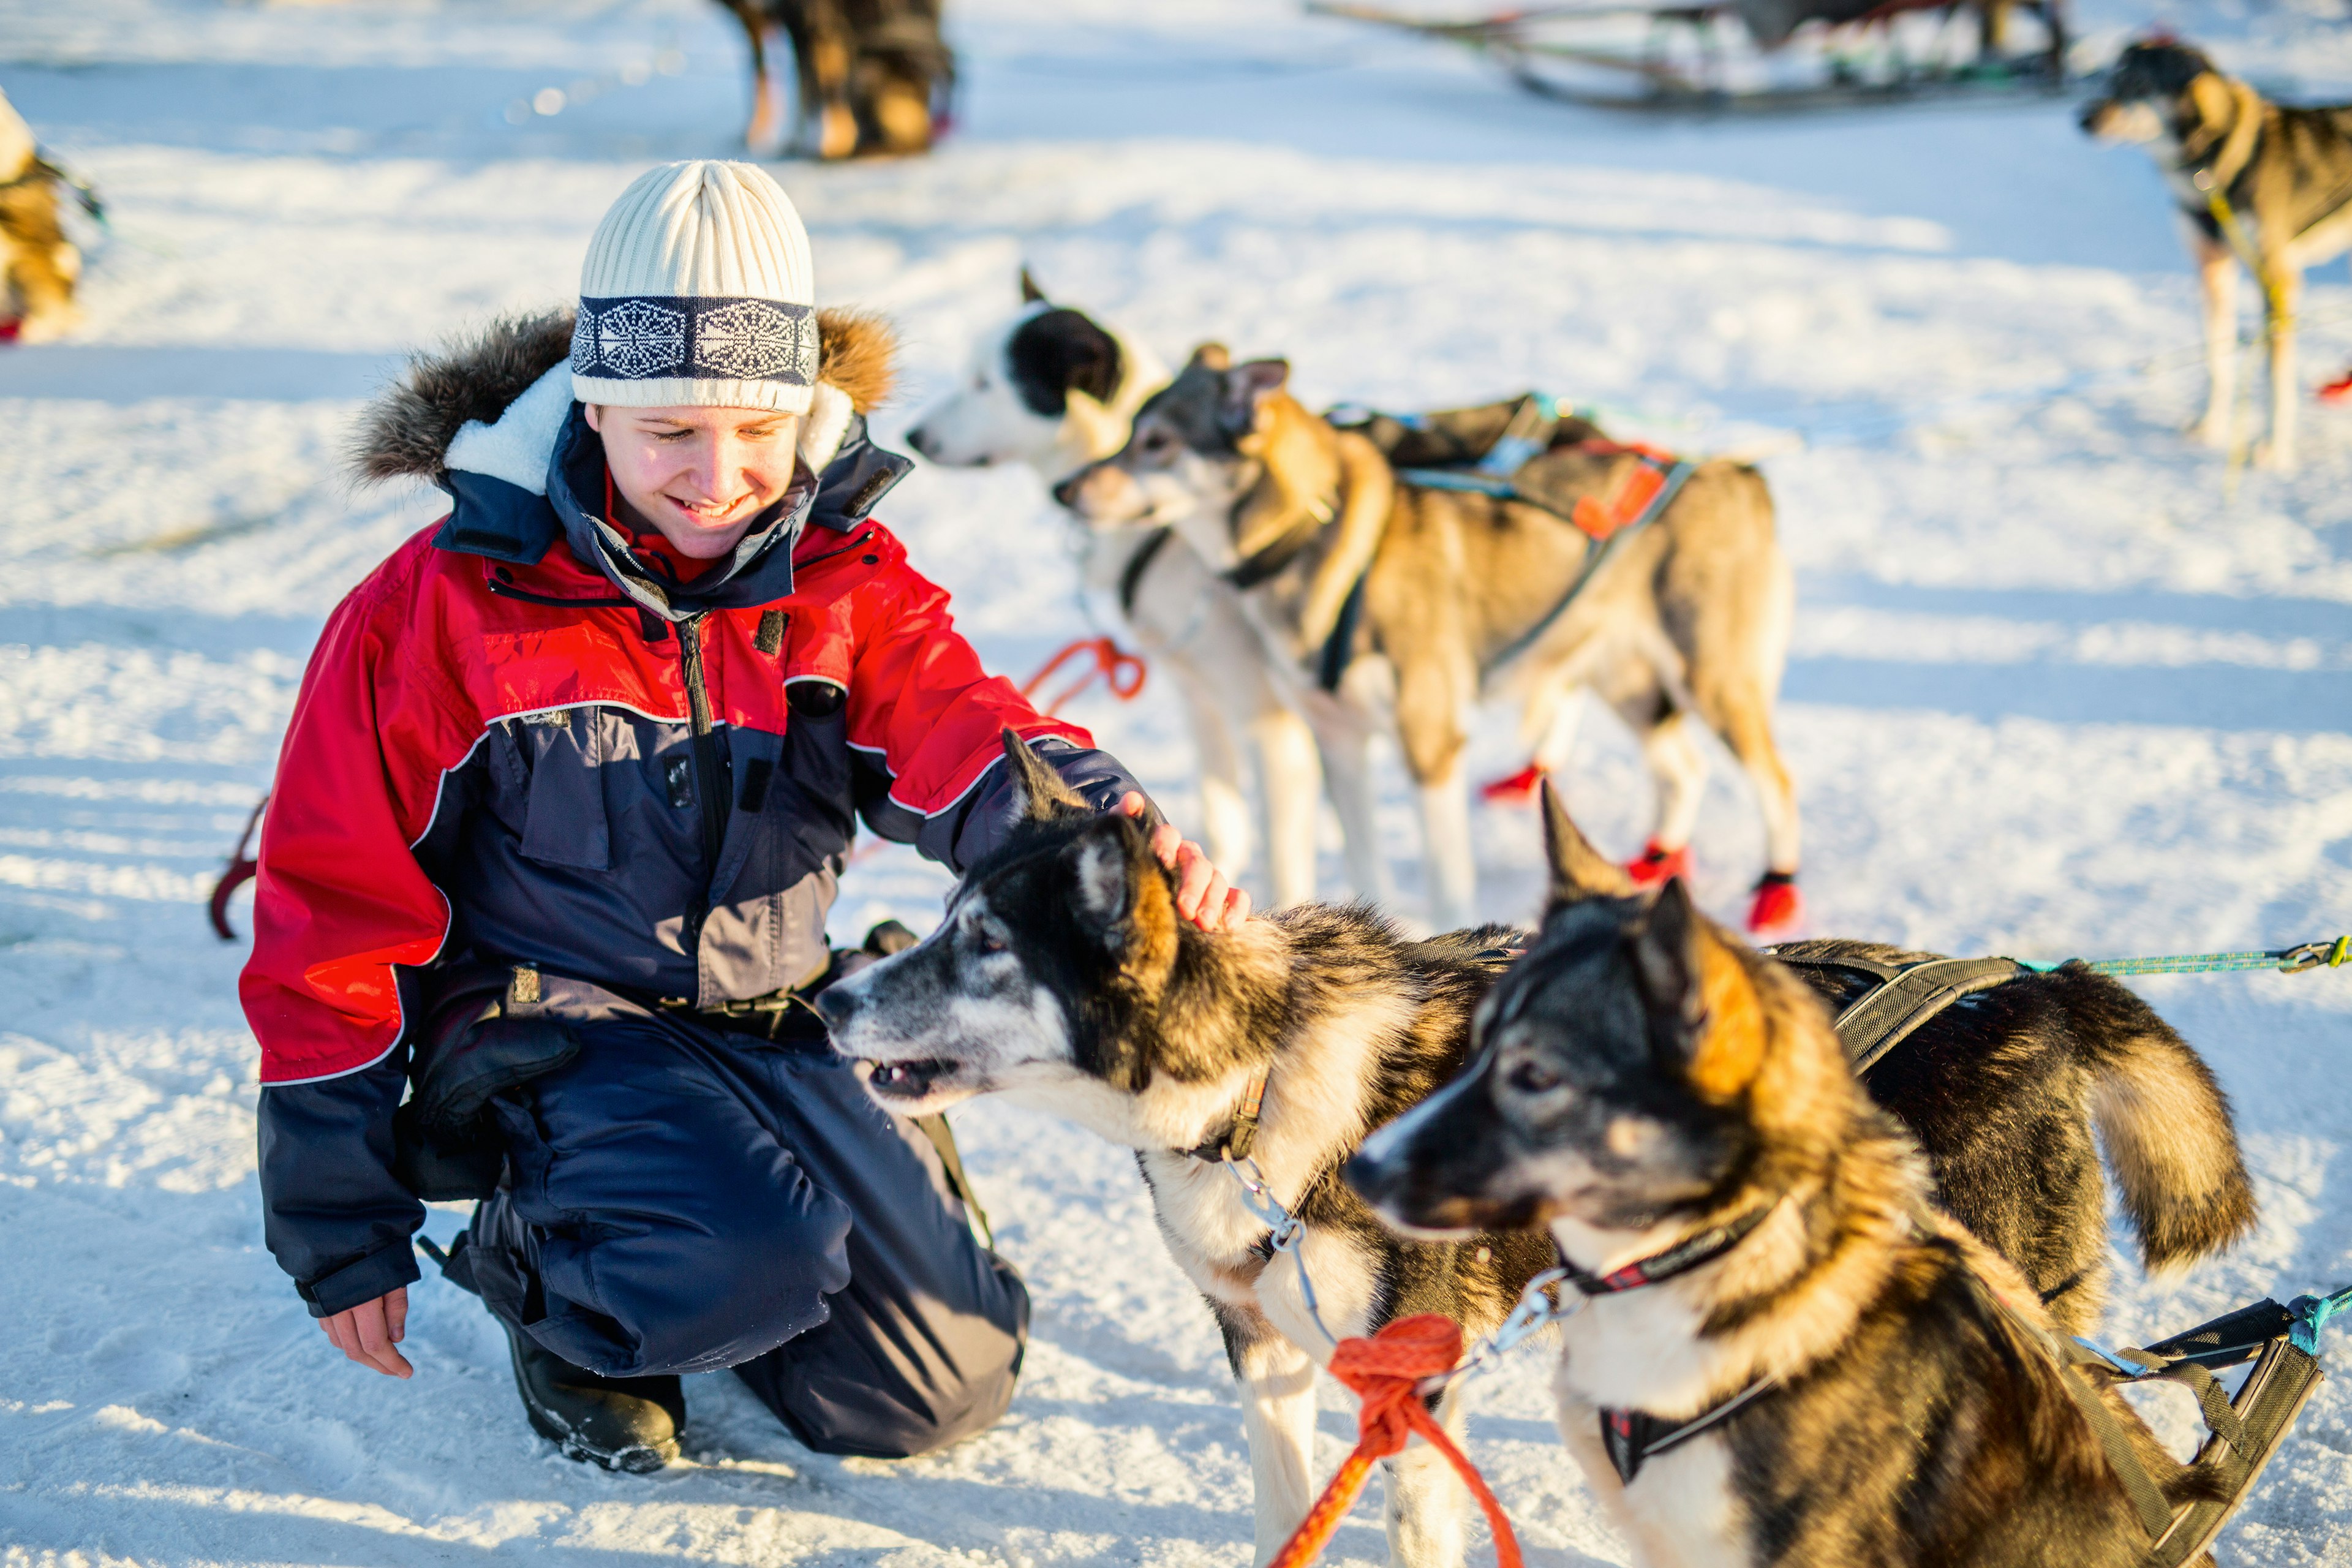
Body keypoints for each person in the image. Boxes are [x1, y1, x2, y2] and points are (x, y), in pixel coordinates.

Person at [243, 160, 1247, 1473]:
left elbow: (964, 726)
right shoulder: (436, 609)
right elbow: (328, 905)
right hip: (563, 1026)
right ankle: (558, 1278)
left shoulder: (841, 579)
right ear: (592, 405)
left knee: (931, 1391)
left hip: (781, 1003)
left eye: (756, 432)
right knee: (732, 1264)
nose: (718, 476)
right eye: (670, 431)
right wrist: (341, 1222)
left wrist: (1107, 835)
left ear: (805, 413)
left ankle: (764, 1224)